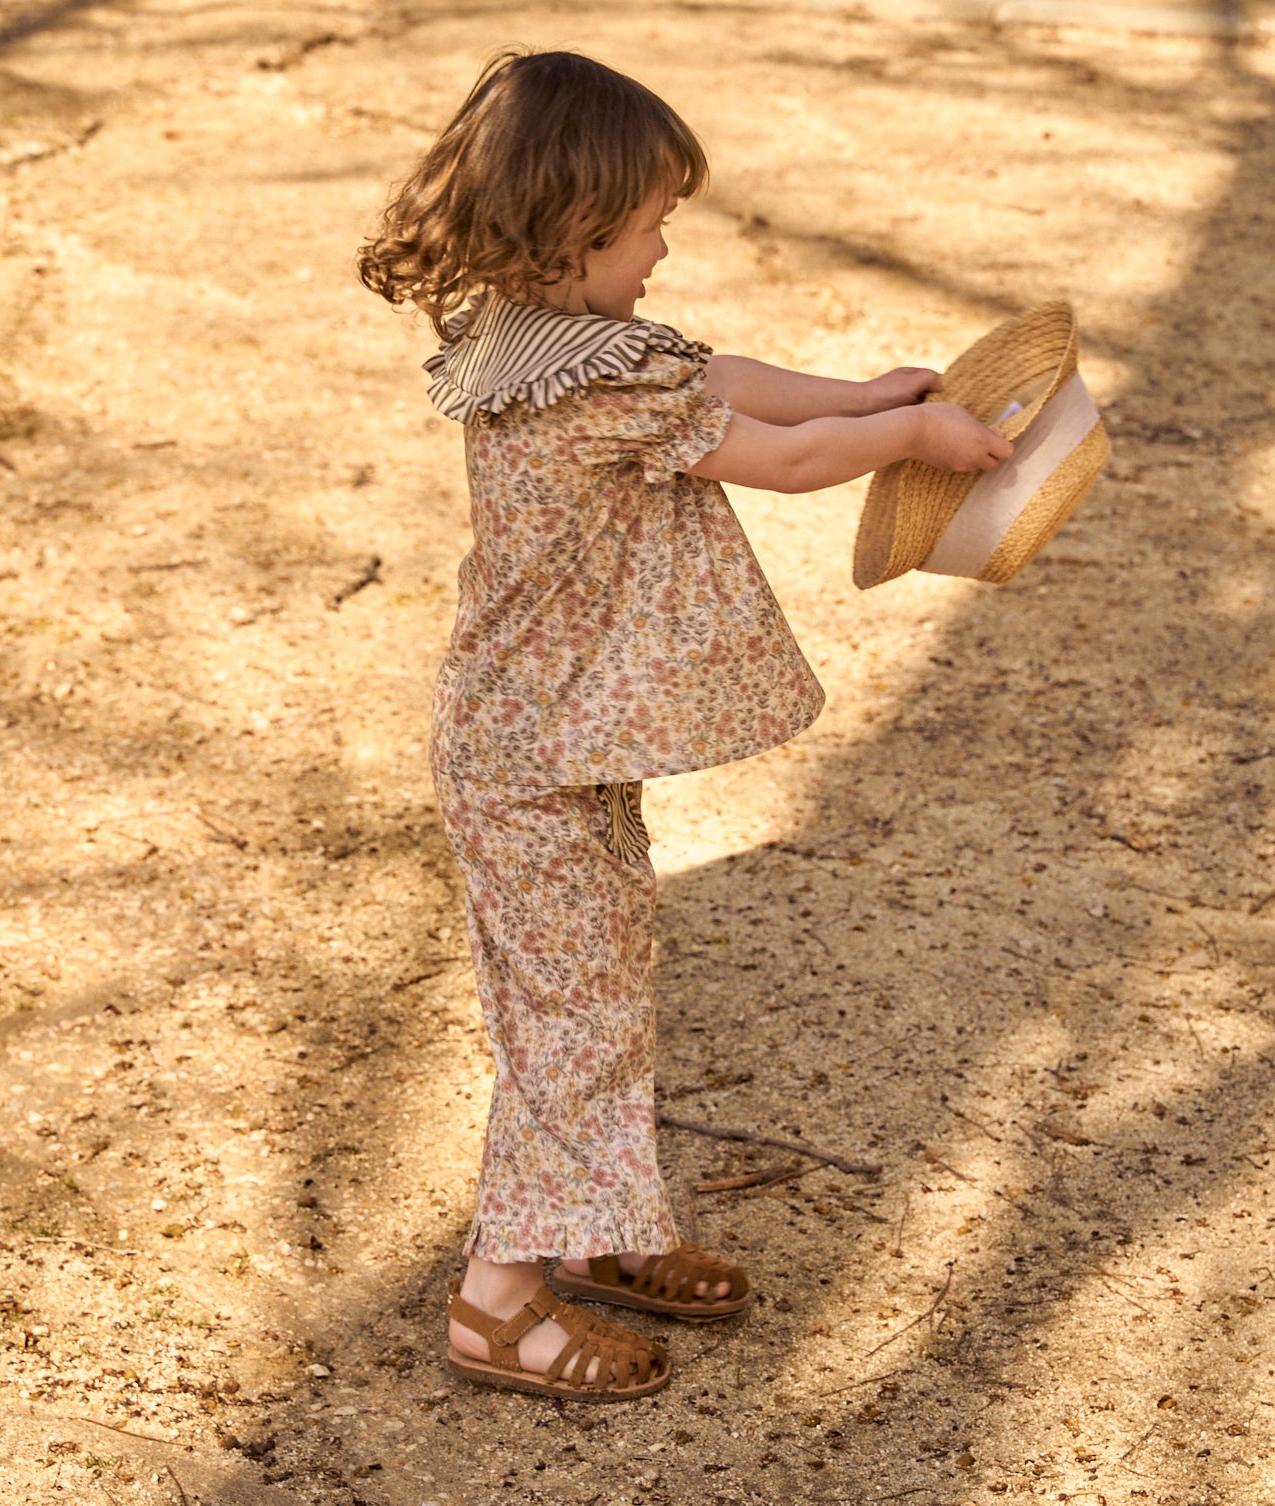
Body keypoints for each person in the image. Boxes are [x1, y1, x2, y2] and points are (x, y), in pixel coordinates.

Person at [357, 48, 1011, 1402]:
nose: (662, 249)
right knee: (571, 1017)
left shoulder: (534, 334)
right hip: (530, 758)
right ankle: (495, 1301)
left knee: (597, 989)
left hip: (545, 742)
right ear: (575, 226)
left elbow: (733, 381)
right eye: (651, 223)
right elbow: (763, 455)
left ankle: (592, 1223)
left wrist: (869, 395)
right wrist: (908, 443)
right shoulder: (582, 382)